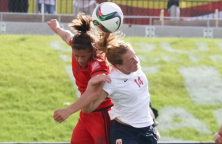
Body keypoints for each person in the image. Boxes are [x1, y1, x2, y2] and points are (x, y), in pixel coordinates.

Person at [54, 32, 158, 144]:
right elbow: (88, 108)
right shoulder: (111, 81)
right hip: (125, 132)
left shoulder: (135, 66)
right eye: (131, 60)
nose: (136, 61)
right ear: (118, 66)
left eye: (134, 56)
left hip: (147, 129)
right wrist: (90, 84)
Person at [47, 13, 113, 144]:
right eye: (76, 56)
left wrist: (68, 111)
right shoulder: (77, 45)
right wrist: (57, 28)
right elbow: (67, 36)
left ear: (92, 51)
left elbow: (94, 93)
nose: (79, 59)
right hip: (86, 113)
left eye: (83, 56)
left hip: (102, 113)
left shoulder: (97, 61)